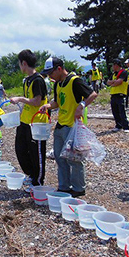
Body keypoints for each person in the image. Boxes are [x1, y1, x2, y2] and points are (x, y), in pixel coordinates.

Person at [39, 57, 98, 197]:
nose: (50, 76)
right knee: (60, 158)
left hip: (72, 127)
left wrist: (81, 105)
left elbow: (92, 94)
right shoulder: (58, 84)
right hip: (60, 125)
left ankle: (78, 188)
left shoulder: (74, 81)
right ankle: (64, 187)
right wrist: (48, 105)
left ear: (59, 69)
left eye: (51, 72)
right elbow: (57, 102)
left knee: (74, 159)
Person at [9, 49, 49, 192]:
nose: (20, 67)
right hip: (25, 121)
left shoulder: (38, 80)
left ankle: (38, 182)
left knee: (36, 152)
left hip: (37, 122)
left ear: (24, 63)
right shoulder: (27, 81)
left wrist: (20, 99)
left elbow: (37, 101)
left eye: (20, 64)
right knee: (20, 149)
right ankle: (31, 175)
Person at [107, 59, 129, 132]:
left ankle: (126, 127)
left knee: (122, 111)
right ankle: (118, 125)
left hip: (121, 94)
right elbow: (108, 82)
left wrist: (113, 83)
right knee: (115, 111)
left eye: (113, 65)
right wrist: (114, 82)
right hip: (113, 94)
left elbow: (119, 82)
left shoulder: (124, 72)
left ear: (116, 65)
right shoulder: (113, 74)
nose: (112, 67)